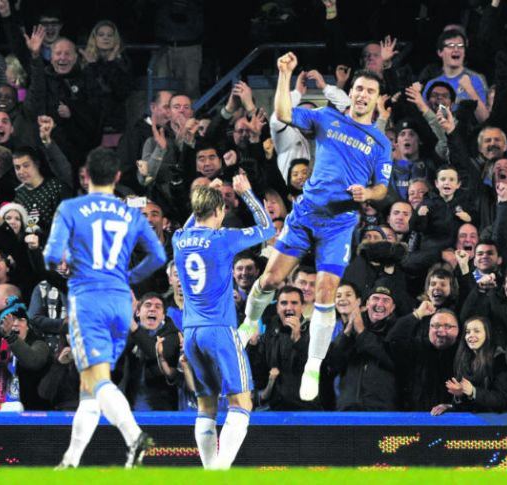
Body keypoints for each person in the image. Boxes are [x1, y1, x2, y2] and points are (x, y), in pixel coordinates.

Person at [243, 53, 393, 403]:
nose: (362, 95)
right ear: (351, 92)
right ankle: (249, 322)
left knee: (326, 293)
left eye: (370, 91)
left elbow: (383, 188)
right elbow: (283, 114)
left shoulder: (380, 143)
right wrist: (284, 74)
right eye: (358, 88)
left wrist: (368, 192)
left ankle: (313, 364)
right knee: (270, 280)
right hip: (305, 214)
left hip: (339, 224)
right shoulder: (326, 117)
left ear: (376, 99)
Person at [44, 147, 167, 469]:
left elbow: (51, 256)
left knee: (97, 381)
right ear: (117, 177)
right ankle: (70, 461)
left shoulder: (71, 208)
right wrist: (129, 276)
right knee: (90, 388)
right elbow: (158, 256)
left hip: (89, 302)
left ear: (86, 175)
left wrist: (68, 259)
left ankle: (135, 436)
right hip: (120, 302)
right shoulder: (131, 214)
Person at [173, 174, 274, 470]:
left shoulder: (179, 239)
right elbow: (267, 228)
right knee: (242, 403)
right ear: (219, 211)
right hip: (219, 331)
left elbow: (193, 224)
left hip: (191, 333)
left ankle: (209, 471)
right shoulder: (223, 239)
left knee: (206, 406)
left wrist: (206, 194)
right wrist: (247, 192)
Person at [430, 316, 507, 415]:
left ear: (487, 334)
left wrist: (473, 391)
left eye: (477, 331)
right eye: (467, 332)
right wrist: (457, 398)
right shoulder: (464, 359)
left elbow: (501, 400)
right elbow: (468, 405)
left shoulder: (499, 359)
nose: (471, 335)